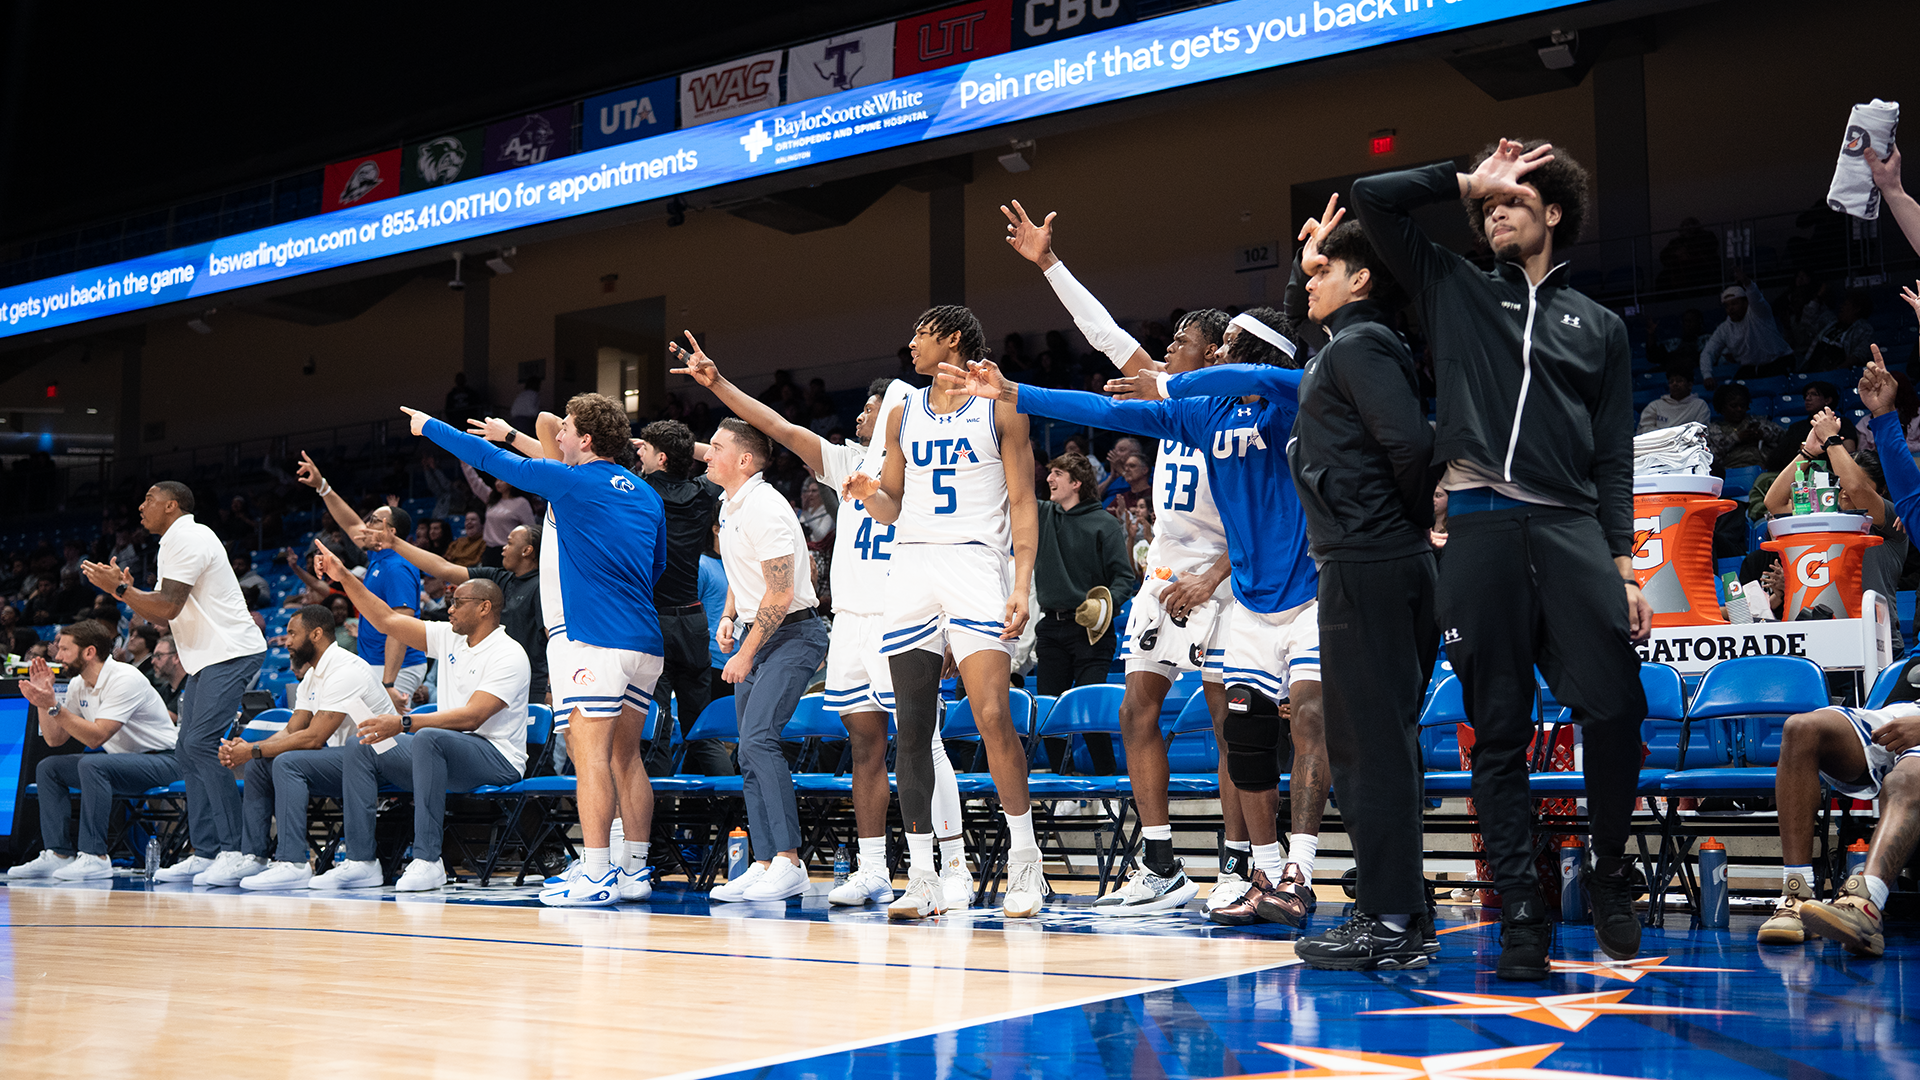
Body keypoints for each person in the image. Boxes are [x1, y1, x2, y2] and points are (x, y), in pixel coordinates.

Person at [1352, 137, 1651, 980]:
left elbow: (1613, 456)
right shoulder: (1452, 285)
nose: (1495, 214)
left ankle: (1609, 870)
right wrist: (1464, 180)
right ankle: (1521, 910)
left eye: (1513, 200)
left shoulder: (1600, 327)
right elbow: (1371, 196)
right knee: (1498, 731)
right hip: (1479, 528)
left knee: (1617, 706)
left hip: (1570, 528)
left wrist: (1624, 564)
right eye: (1486, 208)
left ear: (1554, 212)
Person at [939, 303, 1321, 928]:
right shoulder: (1202, 412)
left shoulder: (1293, 399)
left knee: (1303, 721)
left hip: (1296, 590)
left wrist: (1174, 384)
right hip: (1241, 596)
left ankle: (1288, 870)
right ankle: (1258, 871)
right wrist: (1013, 391)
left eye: (1229, 343)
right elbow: (1106, 411)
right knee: (1243, 737)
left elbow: (1270, 377)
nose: (1219, 351)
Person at [1182, 211, 1440, 968]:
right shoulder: (1337, 355)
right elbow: (1291, 335)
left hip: (1364, 565)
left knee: (1363, 746)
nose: (1311, 281)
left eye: (1325, 270)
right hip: (1348, 567)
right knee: (1363, 748)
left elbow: (1411, 447)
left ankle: (1383, 911)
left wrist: (1399, 522)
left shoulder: (1353, 353)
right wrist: (1303, 263)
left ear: (1360, 280)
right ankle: (1391, 909)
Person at [670, 350, 972, 908]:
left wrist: (950, 625)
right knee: (863, 746)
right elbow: (777, 427)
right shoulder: (845, 461)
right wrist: (719, 384)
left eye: (871, 407)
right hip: (850, 619)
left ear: (900, 413)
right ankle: (874, 868)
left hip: (905, 615)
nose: (860, 415)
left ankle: (953, 866)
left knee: (922, 744)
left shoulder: (924, 466)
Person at [402, 395, 664, 908]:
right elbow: (655, 568)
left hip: (591, 636)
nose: (558, 435)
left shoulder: (572, 481)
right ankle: (634, 870)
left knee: (590, 757)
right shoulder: (646, 494)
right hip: (643, 638)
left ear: (586, 440)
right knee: (627, 757)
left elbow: (490, 459)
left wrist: (429, 425)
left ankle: (596, 873)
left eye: (568, 428)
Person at [844, 305, 1041, 920]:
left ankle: (1025, 861)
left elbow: (1023, 501)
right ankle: (924, 877)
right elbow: (892, 506)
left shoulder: (1000, 403)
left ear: (953, 339)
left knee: (992, 716)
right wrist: (868, 494)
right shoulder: (902, 412)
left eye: (921, 334)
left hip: (976, 563)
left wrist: (1022, 584)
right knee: (911, 727)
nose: (910, 344)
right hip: (911, 565)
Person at [1768, 348, 1920, 955]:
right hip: (1904, 690)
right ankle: (1795, 895)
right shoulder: (1896, 509)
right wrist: (1872, 422)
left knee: (1910, 771)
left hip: (1885, 659)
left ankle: (1864, 903)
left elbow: (1867, 491)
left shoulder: (1889, 520)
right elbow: (1775, 504)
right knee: (1801, 726)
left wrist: (1837, 440)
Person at [311, 545, 531, 892]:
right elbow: (386, 620)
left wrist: (403, 724)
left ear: (485, 607)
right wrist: (344, 577)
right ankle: (361, 861)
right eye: (450, 601)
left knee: (429, 737)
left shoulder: (509, 653)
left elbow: (473, 717)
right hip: (446, 752)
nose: (450, 608)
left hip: (497, 757)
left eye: (458, 602)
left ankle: (428, 860)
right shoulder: (450, 637)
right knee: (363, 744)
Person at [79, 482, 267, 885]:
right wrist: (129, 593)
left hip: (230, 651)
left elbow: (167, 606)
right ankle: (207, 852)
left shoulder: (189, 537)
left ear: (172, 505)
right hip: (207, 657)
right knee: (186, 749)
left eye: (149, 498)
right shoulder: (172, 543)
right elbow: (161, 614)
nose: (141, 506)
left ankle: (239, 852)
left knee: (200, 744)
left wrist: (120, 589)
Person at [703, 415, 831, 903]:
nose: (708, 454)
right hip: (758, 631)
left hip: (793, 633)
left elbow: (780, 592)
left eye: (716, 447)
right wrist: (729, 615)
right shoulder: (731, 505)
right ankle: (762, 862)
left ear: (744, 460)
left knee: (759, 740)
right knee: (749, 751)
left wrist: (746, 652)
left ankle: (789, 862)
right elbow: (745, 574)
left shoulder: (765, 507)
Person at [213, 603, 394, 889]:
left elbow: (313, 738)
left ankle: (294, 863)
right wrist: (248, 748)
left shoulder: (346, 670)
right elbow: (291, 730)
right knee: (260, 765)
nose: (286, 641)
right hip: (345, 759)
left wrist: (252, 750)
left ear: (316, 634)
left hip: (378, 762)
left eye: (292, 634)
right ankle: (255, 857)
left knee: (287, 762)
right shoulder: (312, 675)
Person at [7, 620, 177, 881]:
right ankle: (58, 854)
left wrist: (54, 706)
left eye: (65, 649)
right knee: (50, 768)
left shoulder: (124, 678)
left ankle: (95, 856)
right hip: (123, 762)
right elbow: (54, 739)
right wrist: (43, 699)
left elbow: (97, 737)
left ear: (89, 652)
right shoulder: (78, 684)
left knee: (93, 763)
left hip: (165, 761)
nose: (57, 656)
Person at [360, 511, 548, 707]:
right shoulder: (500, 578)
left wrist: (550, 687)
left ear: (526, 551)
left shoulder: (543, 587)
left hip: (533, 684)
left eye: (509, 543)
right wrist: (395, 543)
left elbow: (554, 638)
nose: (503, 548)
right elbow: (443, 568)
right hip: (492, 675)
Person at [1760, 409, 1906, 653]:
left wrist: (1831, 440)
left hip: (1878, 641)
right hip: (1829, 639)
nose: (1845, 489)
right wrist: (1807, 452)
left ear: (1880, 491)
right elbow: (1773, 502)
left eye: (1849, 480)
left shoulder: (1892, 517)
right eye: (1841, 481)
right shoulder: (1827, 514)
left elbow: (1857, 488)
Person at [293, 454, 428, 709]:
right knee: (367, 727)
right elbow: (351, 523)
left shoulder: (398, 567)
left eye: (374, 521)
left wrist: (389, 684)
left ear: (390, 532)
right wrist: (323, 486)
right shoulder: (379, 555)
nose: (365, 524)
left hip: (397, 666)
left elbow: (402, 627)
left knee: (386, 727)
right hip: (375, 661)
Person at [630, 419, 723, 777]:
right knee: (702, 731)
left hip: (654, 621)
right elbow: (720, 456)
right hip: (694, 623)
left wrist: (661, 448)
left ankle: (658, 811)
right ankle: (733, 808)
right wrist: (680, 447)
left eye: (647, 448)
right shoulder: (703, 491)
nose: (640, 451)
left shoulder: (638, 490)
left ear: (662, 458)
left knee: (657, 729)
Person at [1033, 452, 1135, 773]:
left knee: (1091, 713)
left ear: (1076, 483)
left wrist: (1105, 605)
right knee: (1049, 714)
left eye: (1058, 473)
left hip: (1092, 631)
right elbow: (1015, 492)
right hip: (1051, 628)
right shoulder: (1042, 514)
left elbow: (1124, 578)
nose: (1049, 479)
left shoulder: (1104, 523)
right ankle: (1061, 788)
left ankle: (1108, 786)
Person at [1699, 272, 1794, 382]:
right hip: (1751, 368)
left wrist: (1747, 283)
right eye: (1727, 305)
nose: (1730, 308)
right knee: (1735, 389)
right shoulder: (1724, 329)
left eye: (1734, 303)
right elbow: (1708, 352)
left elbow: (1756, 298)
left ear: (1746, 302)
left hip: (1779, 361)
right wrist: (1707, 375)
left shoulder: (1760, 313)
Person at [460, 463, 536, 567]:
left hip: (510, 550)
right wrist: (464, 462)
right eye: (496, 480)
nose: (497, 483)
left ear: (511, 482)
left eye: (501, 480)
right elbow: (475, 482)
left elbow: (531, 530)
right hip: (489, 550)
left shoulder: (521, 503)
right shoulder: (491, 499)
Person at [1773, 382, 1860, 469]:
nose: (1807, 398)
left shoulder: (1842, 423)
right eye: (1806, 395)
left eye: (1814, 394)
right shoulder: (1796, 427)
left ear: (1827, 400)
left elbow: (1850, 454)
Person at [1706, 384, 1784, 471]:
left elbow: (1783, 437)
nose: (1739, 409)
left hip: (1762, 467)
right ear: (1722, 407)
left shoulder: (1758, 422)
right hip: (1731, 470)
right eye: (1733, 406)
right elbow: (1712, 456)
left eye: (1742, 406)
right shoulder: (1713, 429)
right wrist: (1737, 438)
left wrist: (1763, 434)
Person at [1637, 369, 1712, 434]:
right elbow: (1644, 430)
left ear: (1689, 385)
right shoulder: (1655, 406)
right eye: (1671, 381)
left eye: (1679, 381)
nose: (1674, 384)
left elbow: (1701, 431)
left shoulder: (1700, 405)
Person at [150, 634, 187, 721]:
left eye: (158, 655)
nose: (153, 661)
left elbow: (171, 717)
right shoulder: (165, 689)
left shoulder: (191, 686)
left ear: (176, 657)